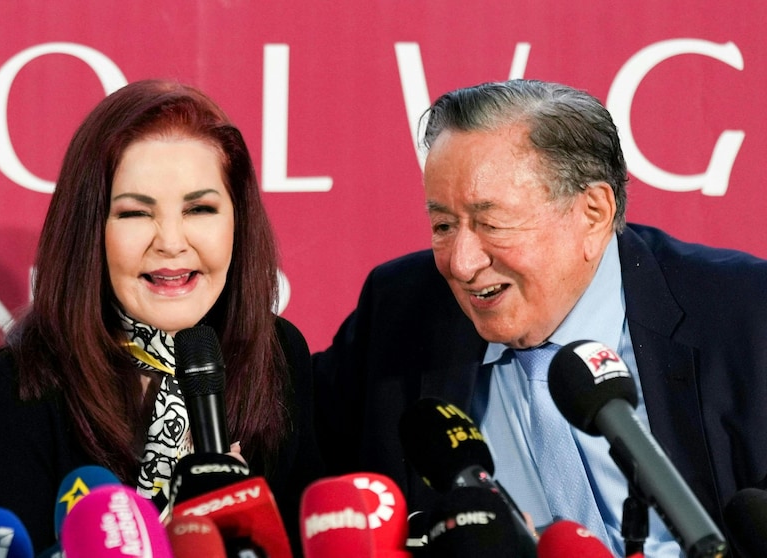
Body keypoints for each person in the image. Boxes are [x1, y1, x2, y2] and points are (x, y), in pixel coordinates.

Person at [313, 79, 767, 557]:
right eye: (444, 226)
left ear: (592, 213)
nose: (461, 263)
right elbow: (285, 437)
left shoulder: (745, 317)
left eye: (491, 223)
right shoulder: (399, 314)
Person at [0, 79, 323, 554]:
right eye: (136, 214)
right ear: (90, 231)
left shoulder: (278, 355)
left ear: (238, 221)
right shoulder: (17, 391)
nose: (171, 242)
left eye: (200, 208)